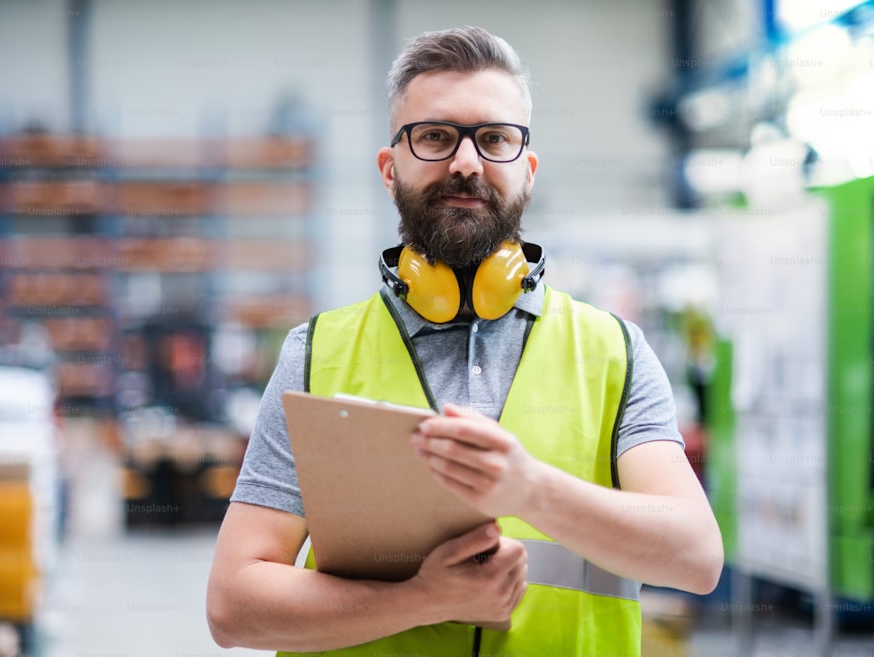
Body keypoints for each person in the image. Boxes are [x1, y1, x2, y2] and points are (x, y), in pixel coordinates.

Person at [207, 25, 723, 656]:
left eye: (495, 138)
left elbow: (696, 558)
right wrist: (424, 600)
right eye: (434, 136)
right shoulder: (316, 353)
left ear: (526, 170)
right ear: (389, 167)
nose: (466, 163)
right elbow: (233, 608)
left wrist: (530, 490)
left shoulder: (612, 350)